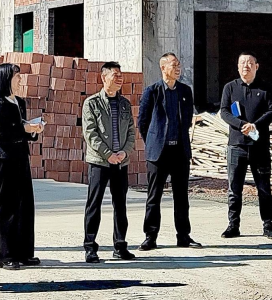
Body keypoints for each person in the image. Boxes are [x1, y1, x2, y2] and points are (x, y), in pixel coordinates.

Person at [138, 53, 200, 250]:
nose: (178, 68)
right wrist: (153, 141)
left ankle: (183, 236)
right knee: (154, 196)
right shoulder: (152, 92)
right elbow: (143, 122)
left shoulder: (185, 91)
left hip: (180, 151)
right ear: (163, 67)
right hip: (159, 153)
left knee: (181, 197)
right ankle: (150, 237)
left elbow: (187, 118)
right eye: (174, 65)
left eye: (178, 64)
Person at [0, 63, 43, 270]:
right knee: (6, 206)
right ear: (6, 79)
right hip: (4, 159)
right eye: (16, 76)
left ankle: (24, 252)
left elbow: (22, 130)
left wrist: (33, 130)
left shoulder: (19, 102)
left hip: (21, 157)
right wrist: (23, 128)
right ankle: (5, 254)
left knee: (24, 205)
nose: (19, 79)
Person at [218, 52, 272, 239]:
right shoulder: (230, 88)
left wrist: (255, 125)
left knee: (264, 188)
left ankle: (268, 225)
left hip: (259, 146)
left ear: (256, 66)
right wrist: (240, 124)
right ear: (238, 67)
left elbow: (271, 111)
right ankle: (233, 226)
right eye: (242, 63)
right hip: (236, 146)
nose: (246, 66)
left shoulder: (266, 88)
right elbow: (224, 111)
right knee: (234, 189)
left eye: (250, 63)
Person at [82, 61, 137, 263]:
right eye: (116, 75)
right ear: (104, 78)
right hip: (100, 162)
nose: (120, 78)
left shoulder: (124, 104)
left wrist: (124, 152)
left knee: (120, 204)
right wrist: (108, 154)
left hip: (120, 162)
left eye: (121, 75)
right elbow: (90, 133)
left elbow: (131, 131)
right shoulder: (92, 103)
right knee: (94, 204)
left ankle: (120, 245)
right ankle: (90, 247)